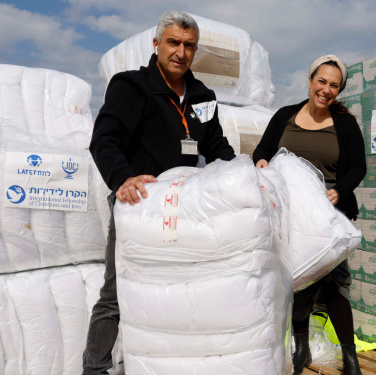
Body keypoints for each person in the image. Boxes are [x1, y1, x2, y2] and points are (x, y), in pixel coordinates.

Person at [83, 11, 235, 374]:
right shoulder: (131, 87)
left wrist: (242, 175)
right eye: (173, 43)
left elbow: (216, 147)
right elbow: (104, 139)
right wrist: (123, 178)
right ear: (157, 44)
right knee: (116, 293)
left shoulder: (202, 95)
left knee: (176, 289)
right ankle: (95, 368)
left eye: (189, 45)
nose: (180, 52)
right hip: (138, 203)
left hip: (182, 206)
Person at [253, 55, 366, 375]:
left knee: (336, 283)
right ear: (310, 81)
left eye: (334, 85)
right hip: (291, 214)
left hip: (328, 213)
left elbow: (359, 166)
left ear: (339, 90)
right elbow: (263, 150)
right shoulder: (286, 116)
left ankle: (350, 358)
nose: (326, 90)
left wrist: (339, 190)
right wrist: (261, 163)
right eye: (321, 82)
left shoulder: (344, 123)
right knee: (298, 280)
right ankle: (301, 347)